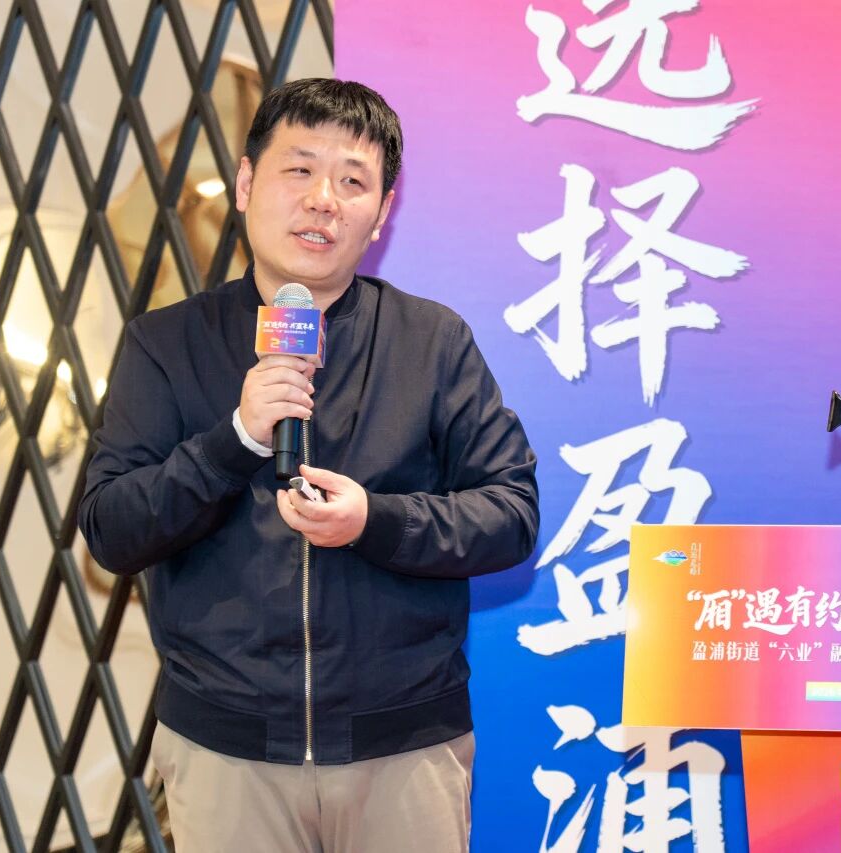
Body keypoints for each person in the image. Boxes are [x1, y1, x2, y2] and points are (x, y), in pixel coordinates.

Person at [78, 79, 539, 852]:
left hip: (403, 749)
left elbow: (511, 512)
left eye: (352, 181)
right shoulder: (166, 344)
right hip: (227, 754)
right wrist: (233, 441)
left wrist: (374, 521)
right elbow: (111, 530)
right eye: (299, 170)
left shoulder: (431, 341)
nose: (323, 199)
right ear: (247, 183)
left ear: (381, 212)